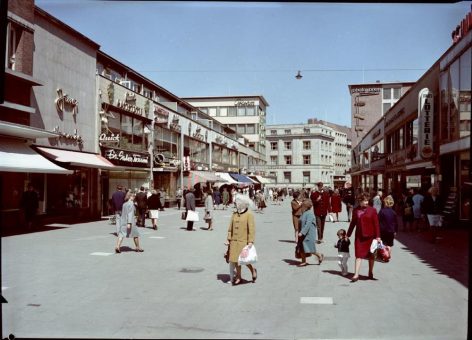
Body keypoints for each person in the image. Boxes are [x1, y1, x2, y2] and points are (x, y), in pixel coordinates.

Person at [347, 193, 381, 282]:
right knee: (358, 255)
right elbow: (353, 223)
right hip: (359, 237)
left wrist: (378, 236)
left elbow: (376, 224)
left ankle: (370, 272)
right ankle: (356, 274)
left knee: (371, 256)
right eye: (364, 201)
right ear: (360, 201)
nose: (366, 202)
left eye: (367, 200)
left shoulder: (372, 210)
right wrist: (348, 234)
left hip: (371, 237)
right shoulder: (356, 210)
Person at [226, 195, 257, 285]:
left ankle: (253, 270)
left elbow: (251, 229)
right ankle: (239, 277)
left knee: (245, 260)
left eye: (236, 203)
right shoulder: (234, 214)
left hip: (243, 241)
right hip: (234, 241)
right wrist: (228, 239)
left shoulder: (249, 214)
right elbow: (230, 228)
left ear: (242, 204)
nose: (235, 204)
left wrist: (250, 241)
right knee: (236, 260)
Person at [297, 199, 324, 266]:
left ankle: (319, 255)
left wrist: (302, 232)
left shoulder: (310, 213)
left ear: (306, 206)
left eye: (303, 205)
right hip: (303, 233)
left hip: (308, 234)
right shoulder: (304, 212)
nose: (301, 206)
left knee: (309, 248)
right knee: (302, 247)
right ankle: (303, 261)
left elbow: (308, 224)